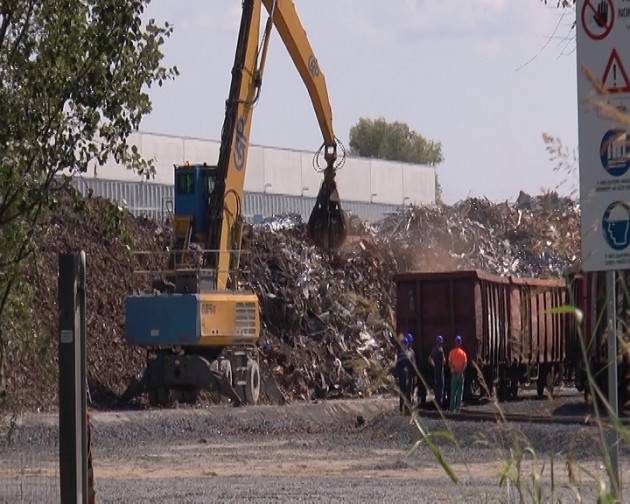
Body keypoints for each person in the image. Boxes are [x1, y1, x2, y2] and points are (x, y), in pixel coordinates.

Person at [395, 333, 416, 415]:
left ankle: (401, 408)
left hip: (402, 376)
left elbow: (397, 366)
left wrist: (397, 375)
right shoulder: (409, 353)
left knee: (403, 392)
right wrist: (414, 375)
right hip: (407, 376)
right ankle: (407, 408)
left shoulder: (400, 353)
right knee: (407, 392)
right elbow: (412, 365)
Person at [448, 335, 468, 413]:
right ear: (460, 343)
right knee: (460, 392)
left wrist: (453, 369)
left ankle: (451, 408)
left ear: (455, 343)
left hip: (454, 374)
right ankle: (458, 408)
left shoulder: (451, 352)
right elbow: (465, 364)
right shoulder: (463, 353)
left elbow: (449, 362)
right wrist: (461, 370)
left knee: (453, 392)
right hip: (460, 374)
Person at [429, 335, 446, 408]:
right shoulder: (439, 350)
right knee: (440, 387)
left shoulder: (435, 349)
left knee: (437, 387)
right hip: (439, 371)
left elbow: (429, 358)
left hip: (437, 370)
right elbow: (443, 361)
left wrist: (434, 365)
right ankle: (439, 405)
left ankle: (438, 404)